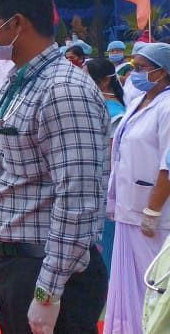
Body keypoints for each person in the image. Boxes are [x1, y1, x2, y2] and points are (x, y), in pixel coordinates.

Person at [0, 0, 108, 334]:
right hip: (19, 263)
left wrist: (48, 292)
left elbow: (77, 199)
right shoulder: (20, 81)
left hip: (51, 272)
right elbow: (12, 180)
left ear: (17, 23)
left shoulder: (63, 90)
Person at [102, 43, 170, 333]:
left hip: (154, 215)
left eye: (142, 68)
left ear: (162, 72)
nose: (134, 73)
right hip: (128, 210)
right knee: (127, 285)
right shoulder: (138, 101)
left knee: (153, 286)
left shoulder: (167, 107)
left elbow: (168, 164)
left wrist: (153, 210)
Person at [85, 58, 126, 276]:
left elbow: (112, 155)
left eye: (86, 75)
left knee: (107, 242)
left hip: (105, 188)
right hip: (94, 185)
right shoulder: (95, 103)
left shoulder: (115, 111)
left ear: (104, 82)